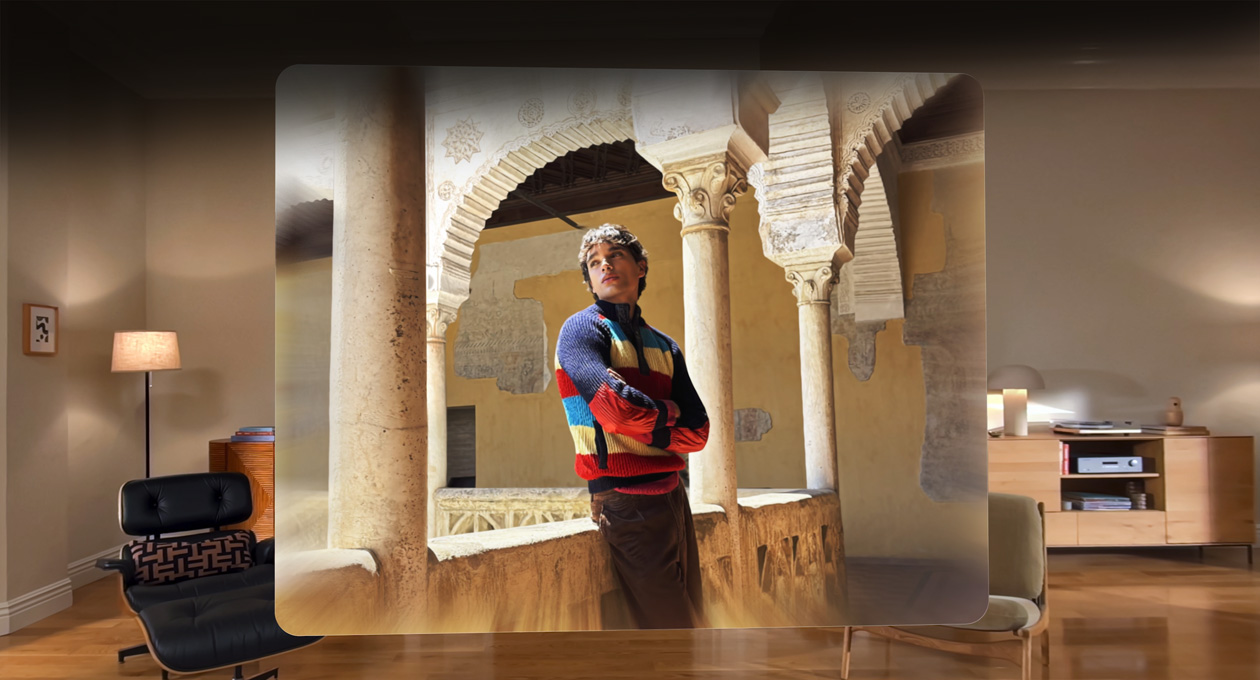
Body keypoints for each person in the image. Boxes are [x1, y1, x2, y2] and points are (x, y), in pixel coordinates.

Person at [554, 223, 709, 629]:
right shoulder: (581, 330)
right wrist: (668, 413)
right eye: (594, 262)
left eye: (615, 255)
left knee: (694, 613)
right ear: (588, 280)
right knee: (674, 626)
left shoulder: (665, 345)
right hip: (624, 503)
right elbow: (614, 410)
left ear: (640, 267)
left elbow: (701, 432)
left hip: (675, 498)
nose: (604, 265)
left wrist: (648, 420)